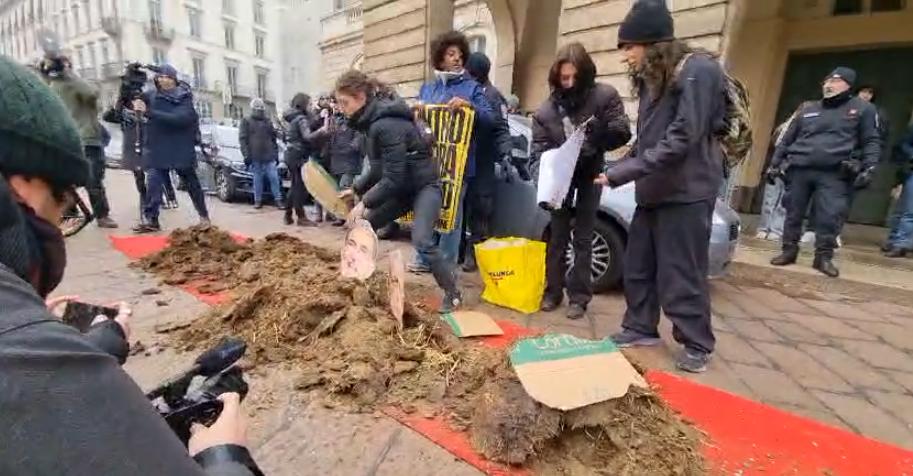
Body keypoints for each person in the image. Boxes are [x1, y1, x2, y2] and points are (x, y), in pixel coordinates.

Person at [0, 54, 258, 475]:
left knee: (189, 187)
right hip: (158, 159)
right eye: (63, 207)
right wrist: (225, 456)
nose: (60, 225)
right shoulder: (22, 353)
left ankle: (198, 216)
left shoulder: (181, 103)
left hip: (179, 158)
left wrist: (87, 348)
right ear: (21, 188)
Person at [595, 0, 726, 372]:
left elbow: (683, 135)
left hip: (686, 192)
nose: (625, 56)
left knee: (681, 270)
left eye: (629, 47)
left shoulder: (698, 69)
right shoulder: (655, 80)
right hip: (654, 191)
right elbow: (649, 138)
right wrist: (619, 165)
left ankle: (697, 343)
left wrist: (626, 172)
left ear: (652, 44)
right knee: (639, 266)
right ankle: (640, 326)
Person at [334, 70, 462, 313]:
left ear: (361, 97)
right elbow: (378, 169)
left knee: (422, 239)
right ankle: (357, 279)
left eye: (344, 102)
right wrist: (356, 189)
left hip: (424, 187)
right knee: (366, 226)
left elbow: (392, 177)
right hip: (404, 188)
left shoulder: (385, 124)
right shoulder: (371, 124)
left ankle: (453, 292)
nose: (341, 109)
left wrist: (365, 203)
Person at [533, 42, 632, 320]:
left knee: (584, 236)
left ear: (586, 74)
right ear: (556, 76)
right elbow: (537, 154)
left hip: (590, 171)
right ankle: (553, 292)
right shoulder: (546, 111)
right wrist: (543, 180)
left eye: (575, 77)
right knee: (557, 236)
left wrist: (598, 133)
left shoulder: (604, 96)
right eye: (565, 77)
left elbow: (622, 131)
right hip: (559, 177)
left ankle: (579, 298)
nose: (570, 83)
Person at [767, 66, 880, 277]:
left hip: (835, 173)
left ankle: (823, 258)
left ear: (848, 85)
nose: (829, 85)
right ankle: (788, 251)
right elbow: (787, 139)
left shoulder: (862, 109)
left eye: (836, 81)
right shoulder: (808, 109)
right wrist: (774, 164)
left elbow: (871, 140)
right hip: (800, 168)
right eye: (827, 81)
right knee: (793, 213)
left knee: (830, 216)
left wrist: (870, 166)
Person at [411, 30, 495, 273]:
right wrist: (416, 112)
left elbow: (490, 119)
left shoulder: (472, 88)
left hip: (459, 166)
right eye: (450, 54)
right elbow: (418, 124)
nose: (457, 58)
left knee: (452, 216)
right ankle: (423, 258)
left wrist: (470, 106)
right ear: (440, 58)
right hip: (430, 164)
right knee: (427, 210)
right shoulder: (428, 89)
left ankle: (445, 263)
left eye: (459, 54)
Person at [41, 53, 118, 228]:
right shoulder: (59, 85)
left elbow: (92, 96)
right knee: (82, 179)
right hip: (78, 139)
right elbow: (91, 94)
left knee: (90, 178)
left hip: (84, 138)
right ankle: (87, 214)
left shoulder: (70, 85)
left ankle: (89, 213)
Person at [462, 51, 523, 272]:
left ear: (475, 73)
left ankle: (474, 253)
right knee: (459, 207)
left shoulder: (493, 97)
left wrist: (507, 153)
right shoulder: (465, 90)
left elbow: (501, 129)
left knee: (481, 207)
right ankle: (458, 250)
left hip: (483, 161)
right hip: (461, 161)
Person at [133, 65, 211, 233]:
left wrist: (150, 113)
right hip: (157, 146)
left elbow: (181, 119)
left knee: (191, 183)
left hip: (180, 146)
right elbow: (126, 104)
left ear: (174, 79)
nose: (163, 80)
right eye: (160, 77)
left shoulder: (184, 96)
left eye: (167, 77)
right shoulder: (150, 95)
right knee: (153, 182)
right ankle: (151, 219)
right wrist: (130, 82)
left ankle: (204, 216)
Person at [281, 93, 320, 226]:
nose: (310, 106)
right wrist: (324, 131)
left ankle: (287, 215)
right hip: (298, 155)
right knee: (300, 187)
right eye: (309, 104)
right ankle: (301, 217)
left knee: (294, 185)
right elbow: (308, 136)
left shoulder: (291, 117)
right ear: (303, 104)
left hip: (290, 154)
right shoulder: (301, 119)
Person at [240, 98, 284, 210]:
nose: (259, 110)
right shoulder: (246, 121)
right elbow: (243, 139)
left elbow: (274, 139)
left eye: (261, 108)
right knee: (257, 179)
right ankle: (258, 200)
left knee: (274, 178)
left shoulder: (268, 121)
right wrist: (246, 155)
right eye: (257, 108)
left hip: (269, 155)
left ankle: (278, 200)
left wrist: (276, 155)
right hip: (255, 155)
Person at [326, 105, 366, 226]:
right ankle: (342, 216)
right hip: (336, 160)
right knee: (339, 189)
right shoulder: (334, 120)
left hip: (350, 161)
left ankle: (351, 217)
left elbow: (358, 140)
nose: (337, 106)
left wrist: (350, 148)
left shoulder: (356, 121)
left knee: (345, 187)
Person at [883, 123, 913, 257]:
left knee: (907, 211)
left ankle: (898, 242)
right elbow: (903, 145)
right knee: (905, 210)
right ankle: (897, 242)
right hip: (909, 171)